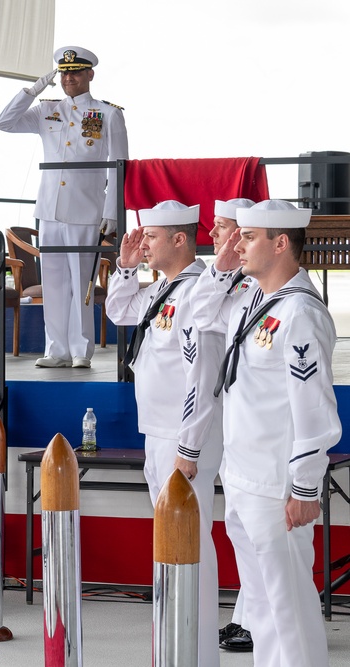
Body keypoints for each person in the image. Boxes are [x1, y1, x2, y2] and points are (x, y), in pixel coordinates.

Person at [190, 199, 339, 666]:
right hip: (243, 476)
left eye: (248, 236)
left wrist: (304, 486)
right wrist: (220, 267)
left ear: (280, 244)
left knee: (288, 611)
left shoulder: (300, 314)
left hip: (277, 486)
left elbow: (314, 410)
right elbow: (198, 314)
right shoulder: (253, 298)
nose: (236, 243)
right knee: (262, 612)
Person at [106, 201, 220, 665]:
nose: (143, 243)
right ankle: (175, 640)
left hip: (182, 438)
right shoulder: (166, 288)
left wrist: (189, 447)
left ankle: (197, 651)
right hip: (158, 433)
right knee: (170, 538)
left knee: (192, 538)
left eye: (150, 237)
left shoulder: (196, 292)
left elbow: (201, 378)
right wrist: (126, 268)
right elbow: (119, 312)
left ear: (179, 239)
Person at [0, 46, 128, 369]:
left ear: (90, 75)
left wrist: (111, 211)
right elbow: (4, 122)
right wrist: (34, 88)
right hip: (49, 210)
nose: (69, 78)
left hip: (86, 211)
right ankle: (56, 348)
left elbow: (120, 167)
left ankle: (82, 349)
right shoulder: (46, 110)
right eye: (65, 73)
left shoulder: (107, 114)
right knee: (54, 281)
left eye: (76, 72)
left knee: (82, 280)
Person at [181, 197, 256, 654]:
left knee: (252, 531)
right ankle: (246, 617)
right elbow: (200, 313)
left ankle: (252, 619)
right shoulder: (229, 283)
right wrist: (222, 270)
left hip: (257, 433)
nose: (214, 235)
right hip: (235, 429)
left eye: (225, 228)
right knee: (239, 527)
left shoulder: (261, 289)